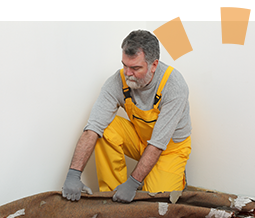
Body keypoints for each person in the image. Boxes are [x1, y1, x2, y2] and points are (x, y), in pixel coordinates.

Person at [62, 30, 192, 203]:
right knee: (105, 128)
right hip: (141, 140)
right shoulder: (117, 81)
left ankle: (175, 177)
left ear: (153, 65)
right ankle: (112, 195)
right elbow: (93, 128)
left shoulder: (174, 85)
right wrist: (73, 174)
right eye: (125, 65)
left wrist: (132, 183)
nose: (127, 73)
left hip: (169, 149)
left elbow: (158, 144)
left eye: (135, 68)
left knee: (155, 202)